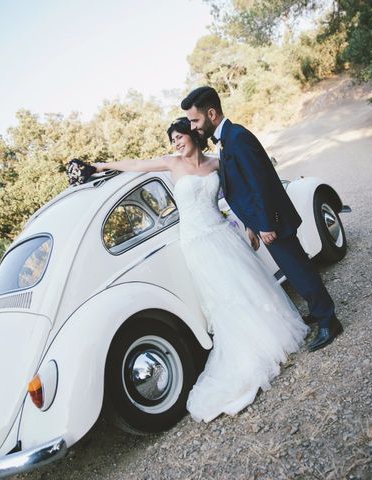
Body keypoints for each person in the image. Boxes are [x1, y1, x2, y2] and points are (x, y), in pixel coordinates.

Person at [93, 117, 309, 422]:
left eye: (180, 137)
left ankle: (270, 338)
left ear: (194, 136)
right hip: (196, 241)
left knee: (246, 284)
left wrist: (250, 223)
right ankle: (246, 352)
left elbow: (237, 195)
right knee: (224, 296)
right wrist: (103, 165)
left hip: (221, 232)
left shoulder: (216, 164)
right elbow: (137, 164)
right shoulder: (172, 164)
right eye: (173, 140)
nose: (177, 143)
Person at [181, 86, 343, 352]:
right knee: (295, 268)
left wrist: (266, 223)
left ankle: (329, 321)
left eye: (195, 120)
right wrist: (252, 225)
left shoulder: (238, 137)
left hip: (273, 221)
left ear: (211, 113)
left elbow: (260, 184)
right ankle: (318, 310)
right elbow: (242, 188)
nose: (193, 126)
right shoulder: (226, 140)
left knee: (299, 269)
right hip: (263, 222)